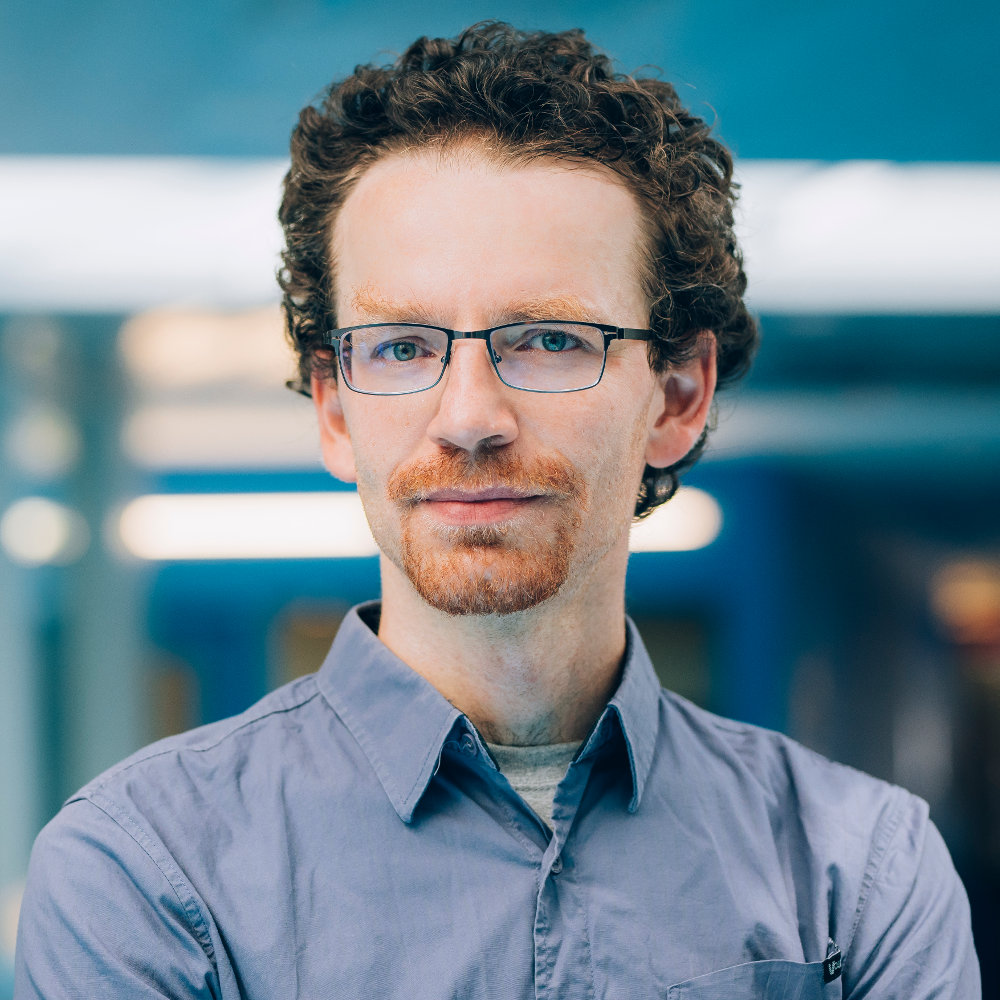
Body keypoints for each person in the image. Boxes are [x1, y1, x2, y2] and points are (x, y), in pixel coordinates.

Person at [16, 22, 978, 999]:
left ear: (679, 394)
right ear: (335, 407)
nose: (469, 417)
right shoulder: (146, 872)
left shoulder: (858, 879)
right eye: (400, 347)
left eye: (549, 339)